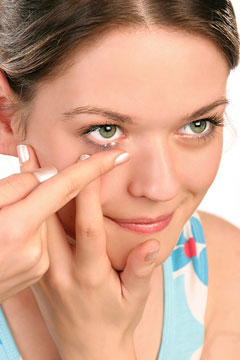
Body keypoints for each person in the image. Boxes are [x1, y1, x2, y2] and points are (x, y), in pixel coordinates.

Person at [0, 0, 240, 359]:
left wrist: (98, 347)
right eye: (106, 131)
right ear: (6, 118)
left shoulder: (224, 269)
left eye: (198, 125)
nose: (161, 188)